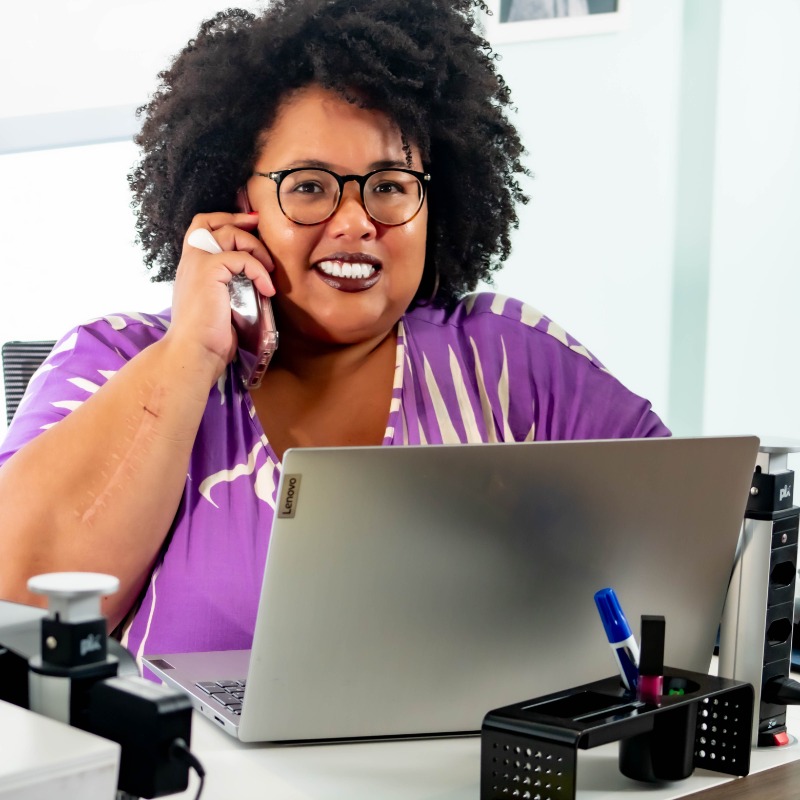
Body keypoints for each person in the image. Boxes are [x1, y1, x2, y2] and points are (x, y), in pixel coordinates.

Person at [0, 0, 668, 667]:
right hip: (192, 774)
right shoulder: (111, 359)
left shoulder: (506, 360)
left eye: (389, 185)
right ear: (240, 203)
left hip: (471, 769)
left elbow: (688, 551)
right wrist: (191, 354)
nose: (356, 222)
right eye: (312, 187)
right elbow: (17, 609)